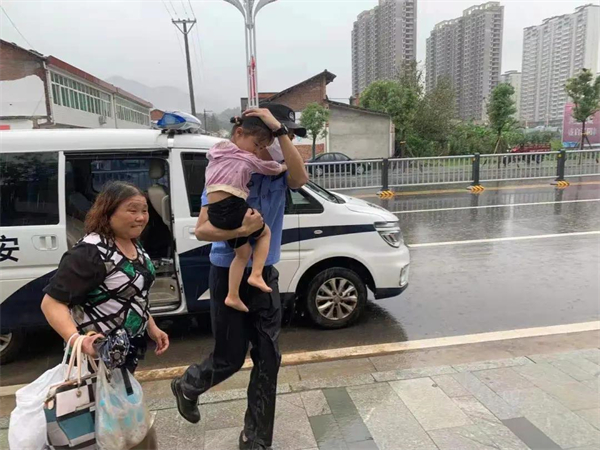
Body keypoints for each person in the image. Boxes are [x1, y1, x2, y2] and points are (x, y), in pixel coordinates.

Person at [171, 103, 309, 450]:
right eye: (265, 137)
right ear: (244, 134)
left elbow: (300, 178)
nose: (270, 144)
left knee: (268, 358)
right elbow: (203, 230)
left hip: (263, 275)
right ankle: (189, 384)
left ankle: (255, 439)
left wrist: (280, 129)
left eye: (278, 137)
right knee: (230, 358)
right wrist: (242, 230)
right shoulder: (226, 172)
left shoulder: (278, 173)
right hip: (226, 273)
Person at [41, 181, 170, 449]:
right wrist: (78, 341)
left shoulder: (131, 243)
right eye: (132, 210)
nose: (140, 217)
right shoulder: (90, 252)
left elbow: (132, 294)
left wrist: (151, 326)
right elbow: (51, 303)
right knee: (98, 421)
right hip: (97, 353)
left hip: (124, 351)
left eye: (144, 210)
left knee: (116, 416)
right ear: (108, 212)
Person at [205, 115, 287, 313]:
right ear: (239, 133)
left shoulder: (217, 152)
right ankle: (256, 274)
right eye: (257, 145)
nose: (257, 151)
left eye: (261, 148)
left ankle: (232, 295)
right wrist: (284, 166)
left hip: (215, 212)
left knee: (242, 253)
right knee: (265, 233)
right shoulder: (245, 157)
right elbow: (269, 168)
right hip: (232, 207)